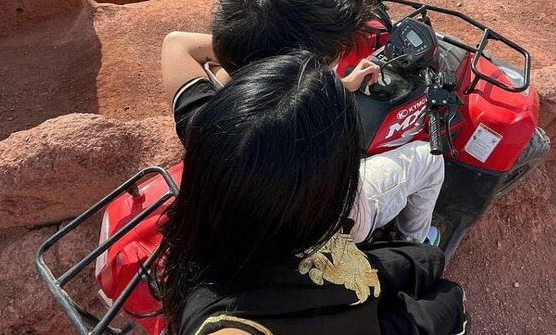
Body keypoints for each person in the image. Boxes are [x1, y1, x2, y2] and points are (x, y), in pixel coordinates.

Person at [157, 51, 468, 335]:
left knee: (428, 259)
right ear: (310, 195)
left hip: (345, 281)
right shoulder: (231, 321)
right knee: (452, 299)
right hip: (365, 314)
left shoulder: (220, 144)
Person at [162, 0, 444, 245]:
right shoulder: (325, 121)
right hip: (330, 226)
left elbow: (177, 42)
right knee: (429, 159)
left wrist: (246, 44)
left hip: (240, 220)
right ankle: (415, 243)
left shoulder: (205, 119)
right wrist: (330, 83)